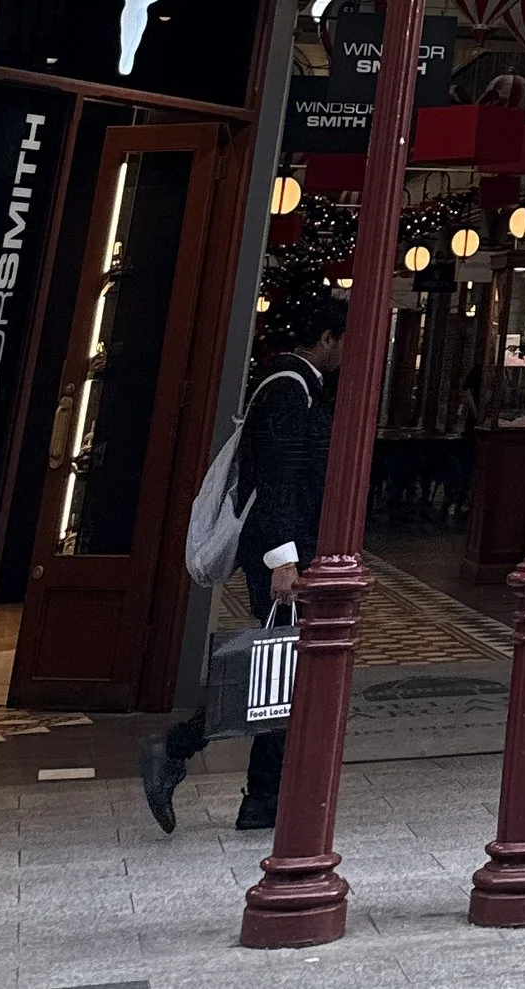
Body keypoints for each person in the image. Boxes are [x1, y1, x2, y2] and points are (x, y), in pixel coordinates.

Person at [138, 289, 345, 835]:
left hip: (291, 552)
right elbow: (277, 481)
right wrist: (284, 560)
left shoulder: (299, 385)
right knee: (282, 673)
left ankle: (254, 797)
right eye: (342, 342)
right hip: (284, 556)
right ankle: (237, 786)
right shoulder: (287, 390)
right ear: (325, 339)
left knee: (283, 672)